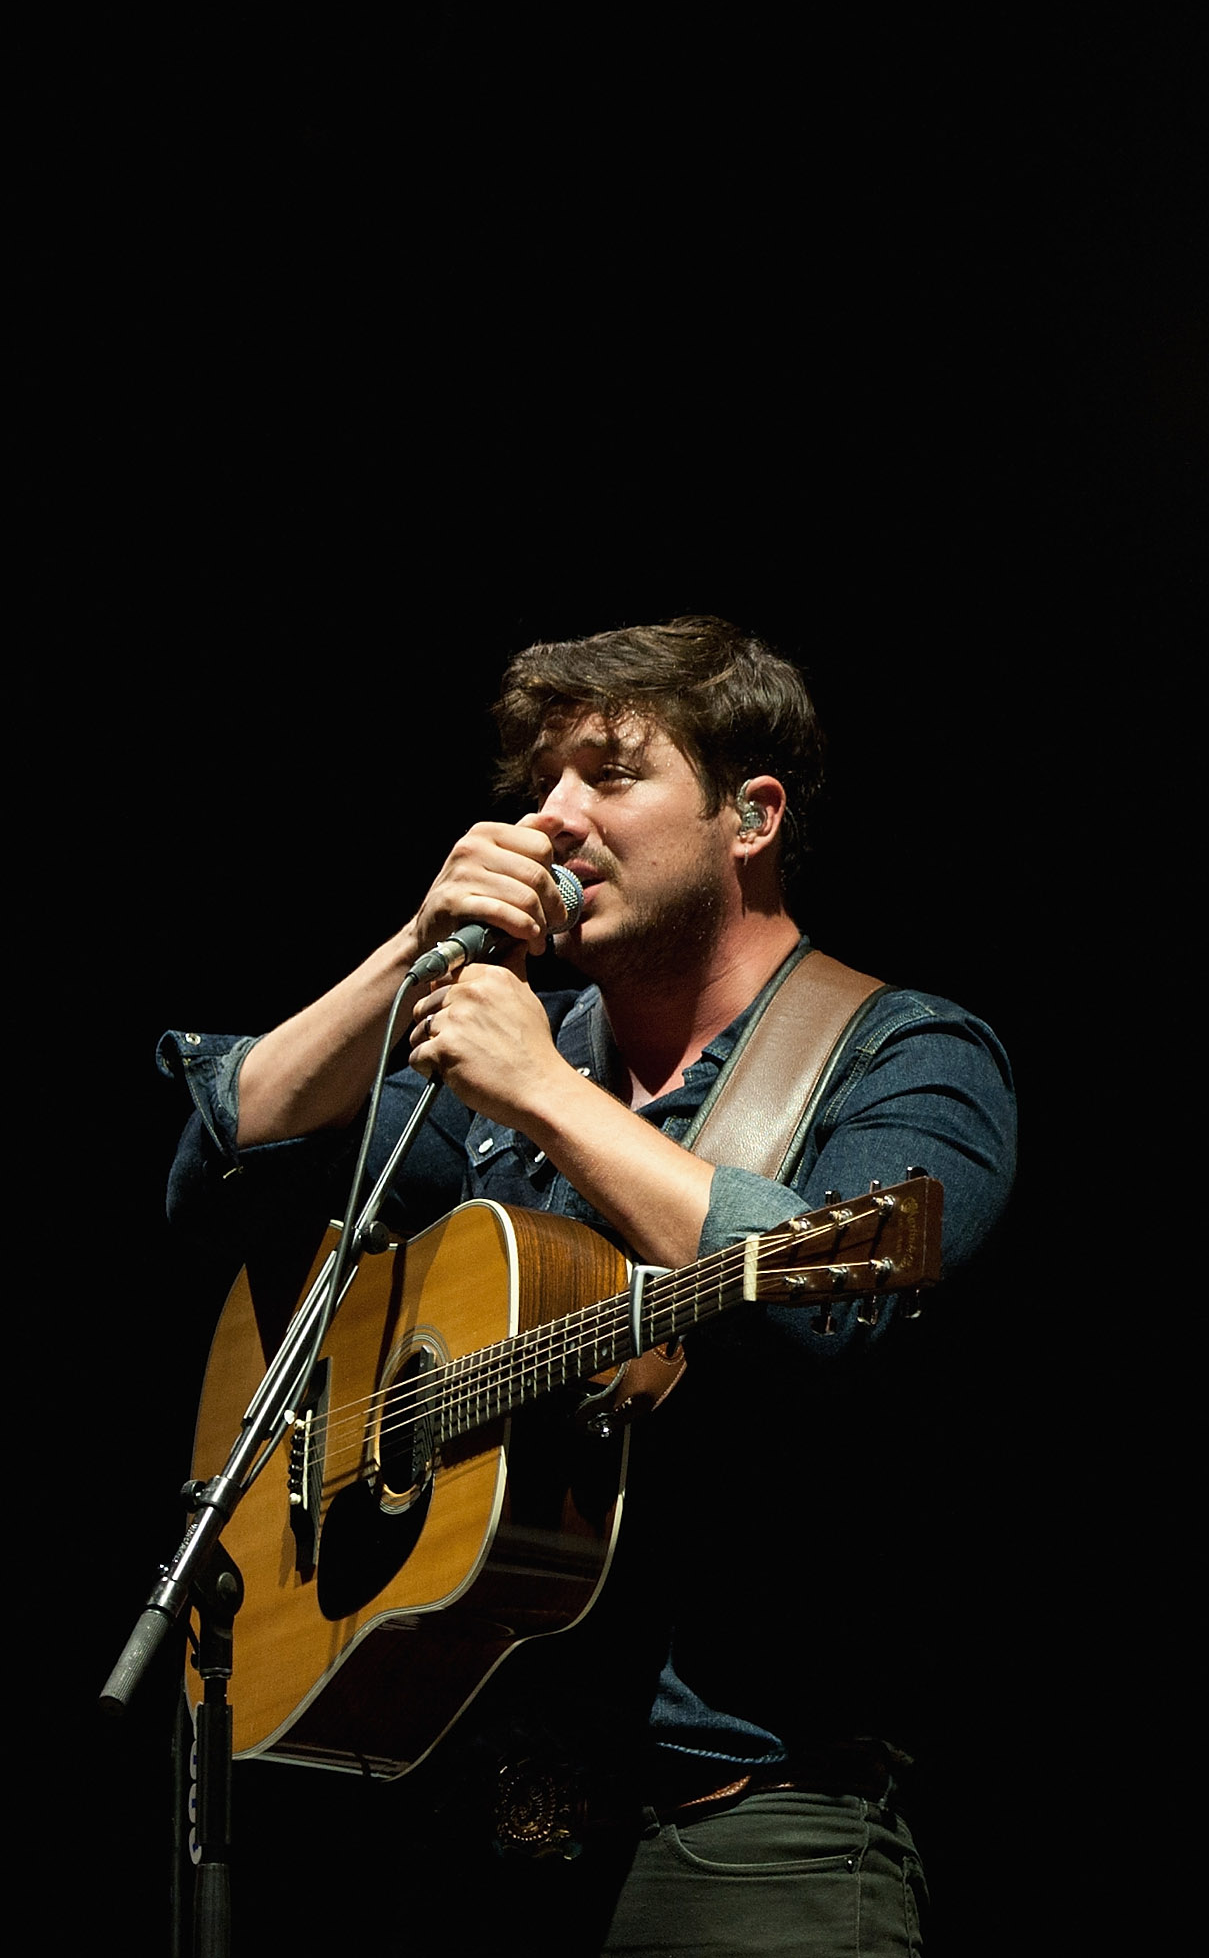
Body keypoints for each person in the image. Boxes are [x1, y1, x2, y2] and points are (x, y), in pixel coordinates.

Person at [160, 615, 1016, 1955]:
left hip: (744, 1833)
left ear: (752, 815)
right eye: (540, 785)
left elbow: (843, 1304)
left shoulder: (906, 1053)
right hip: (470, 1827)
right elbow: (228, 1162)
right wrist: (419, 943)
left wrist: (547, 1097)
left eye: (609, 776)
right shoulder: (512, 1053)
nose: (552, 822)